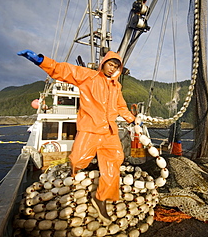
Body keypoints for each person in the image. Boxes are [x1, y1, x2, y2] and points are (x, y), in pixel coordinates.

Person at [18, 49, 137, 223]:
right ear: (103, 63)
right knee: (77, 160)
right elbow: (62, 70)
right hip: (89, 128)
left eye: (116, 66)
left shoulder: (116, 86)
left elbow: (121, 107)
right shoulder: (87, 76)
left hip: (109, 132)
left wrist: (132, 119)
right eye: (110, 64)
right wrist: (40, 60)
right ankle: (74, 183)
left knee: (116, 160)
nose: (112, 69)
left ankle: (101, 199)